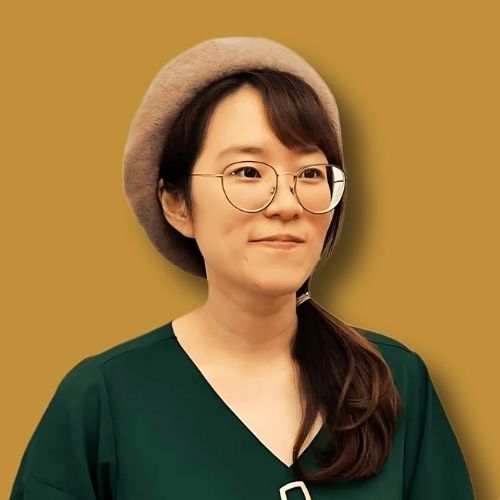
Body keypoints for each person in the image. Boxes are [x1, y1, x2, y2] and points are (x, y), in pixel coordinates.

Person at [9, 36, 475, 500]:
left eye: (310, 174)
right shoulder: (102, 400)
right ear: (176, 204)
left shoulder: (394, 381)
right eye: (248, 172)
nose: (288, 204)